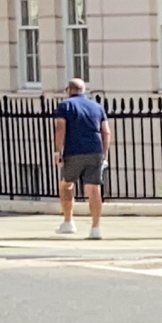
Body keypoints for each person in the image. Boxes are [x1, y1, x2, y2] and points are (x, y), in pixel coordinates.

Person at [53, 79, 110, 237]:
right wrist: (104, 154)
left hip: (74, 151)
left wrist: (58, 152)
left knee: (66, 184)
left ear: (69, 90)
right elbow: (106, 131)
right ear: (84, 90)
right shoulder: (97, 107)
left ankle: (68, 222)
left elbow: (60, 128)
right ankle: (96, 228)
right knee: (94, 188)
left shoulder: (65, 106)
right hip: (95, 150)